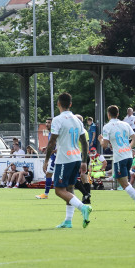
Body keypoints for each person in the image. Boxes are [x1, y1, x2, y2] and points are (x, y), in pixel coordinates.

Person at [43, 92, 92, 229]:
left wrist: (46, 160)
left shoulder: (57, 120)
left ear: (58, 104)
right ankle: (68, 221)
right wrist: (84, 161)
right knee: (70, 188)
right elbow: (84, 141)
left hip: (64, 159)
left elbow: (52, 141)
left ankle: (83, 207)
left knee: (59, 190)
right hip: (76, 157)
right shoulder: (77, 120)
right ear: (70, 104)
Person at [100, 104, 135, 210]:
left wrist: (100, 140)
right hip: (128, 156)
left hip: (120, 157)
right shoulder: (125, 124)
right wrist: (128, 147)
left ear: (108, 115)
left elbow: (104, 145)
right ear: (117, 114)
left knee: (124, 183)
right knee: (123, 181)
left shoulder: (107, 126)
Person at [37, 117, 56, 200]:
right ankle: (45, 194)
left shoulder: (55, 133)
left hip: (57, 158)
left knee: (50, 174)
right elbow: (51, 144)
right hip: (53, 157)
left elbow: (61, 146)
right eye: (46, 122)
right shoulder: (50, 133)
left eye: (49, 122)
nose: (47, 124)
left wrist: (53, 151)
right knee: (48, 174)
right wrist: (47, 148)